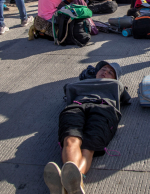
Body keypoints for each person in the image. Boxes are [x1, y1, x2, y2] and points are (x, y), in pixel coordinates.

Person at [43, 61, 129, 194]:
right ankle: (75, 184)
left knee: (88, 148)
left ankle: (66, 185)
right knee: (70, 140)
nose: (105, 72)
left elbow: (126, 98)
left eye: (110, 72)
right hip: (77, 105)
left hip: (104, 109)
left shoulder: (116, 85)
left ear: (115, 78)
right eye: (103, 69)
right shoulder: (82, 83)